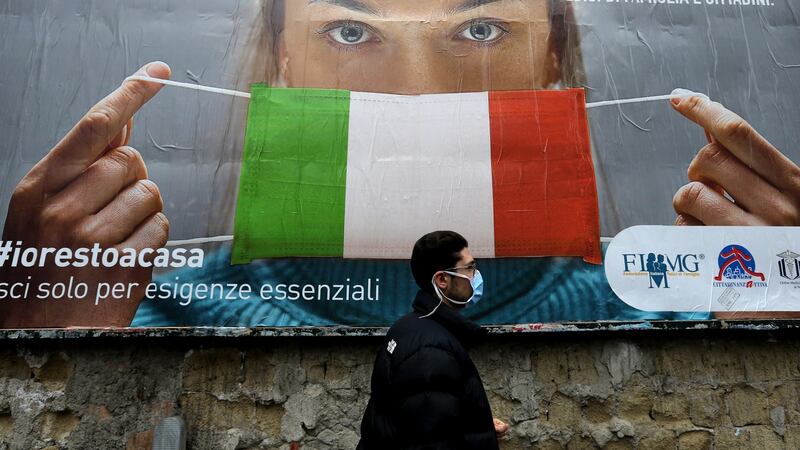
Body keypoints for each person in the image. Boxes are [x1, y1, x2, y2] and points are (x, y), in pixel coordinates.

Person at [1, 0, 798, 327]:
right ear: (279, 66)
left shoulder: (686, 312)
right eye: (351, 31)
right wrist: (45, 343)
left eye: (479, 30)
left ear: (554, 62)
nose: (416, 95)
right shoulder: (143, 317)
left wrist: (778, 343)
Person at [357, 230, 508, 450]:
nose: (476, 276)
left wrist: (477, 426)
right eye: (469, 268)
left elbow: (425, 420)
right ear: (442, 279)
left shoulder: (411, 327)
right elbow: (429, 442)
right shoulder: (430, 350)